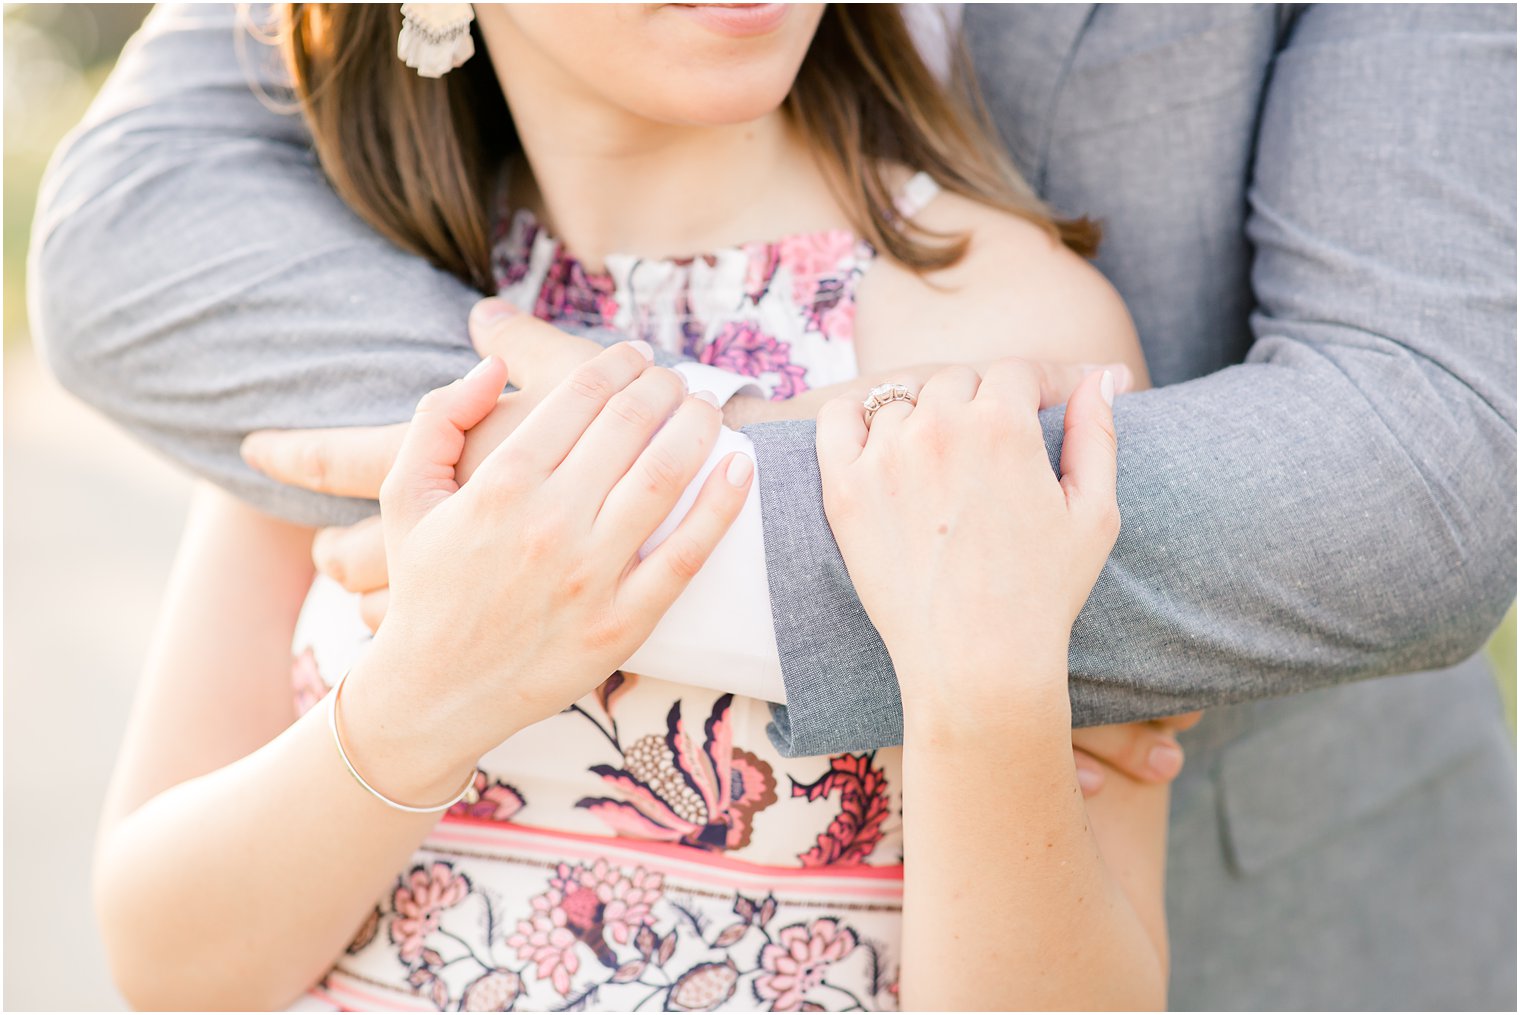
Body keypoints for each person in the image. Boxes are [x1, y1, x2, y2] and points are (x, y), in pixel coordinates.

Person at [29, 2, 1516, 1010]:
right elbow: (171, 958)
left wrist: (984, 698)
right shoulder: (367, 307)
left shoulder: (997, 345)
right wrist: (425, 695)